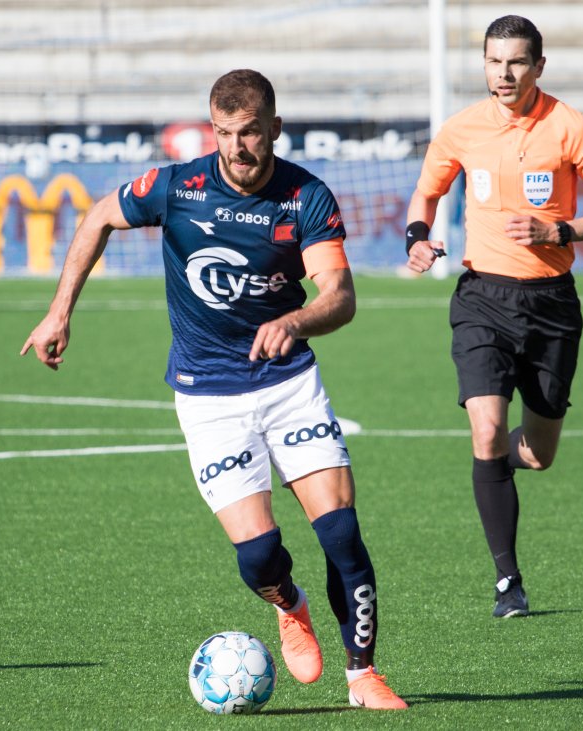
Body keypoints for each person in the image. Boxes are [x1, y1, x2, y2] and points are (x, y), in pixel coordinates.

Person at [23, 69, 407, 710]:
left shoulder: (306, 197)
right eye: (225, 133)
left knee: (341, 536)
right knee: (259, 556)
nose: (237, 146)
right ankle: (291, 605)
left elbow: (339, 298)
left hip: (289, 384)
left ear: (274, 129)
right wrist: (60, 311)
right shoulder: (176, 186)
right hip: (208, 397)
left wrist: (295, 319)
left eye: (250, 132)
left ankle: (363, 675)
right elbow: (96, 219)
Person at [404, 16, 583, 618]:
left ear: (539, 66)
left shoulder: (571, 127)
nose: (503, 74)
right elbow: (426, 194)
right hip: (481, 297)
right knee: (485, 431)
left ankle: (492, 471)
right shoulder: (461, 129)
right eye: (493, 62)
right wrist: (418, 238)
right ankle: (509, 582)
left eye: (516, 63)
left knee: (536, 453)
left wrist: (558, 228)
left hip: (552, 304)